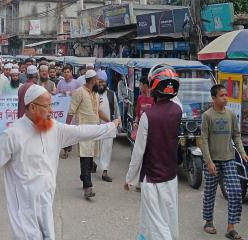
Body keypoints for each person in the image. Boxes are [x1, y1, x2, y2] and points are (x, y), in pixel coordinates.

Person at [0, 84, 119, 239]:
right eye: (47, 106)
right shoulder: (12, 134)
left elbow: (82, 131)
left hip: (46, 200)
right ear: (32, 107)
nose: (51, 110)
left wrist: (110, 126)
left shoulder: (54, 128)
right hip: (24, 205)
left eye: (51, 105)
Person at [124, 65, 182, 240]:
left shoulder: (149, 116)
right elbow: (175, 97)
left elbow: (138, 151)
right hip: (171, 177)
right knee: (168, 218)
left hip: (152, 178)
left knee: (157, 224)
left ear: (154, 87)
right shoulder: (178, 110)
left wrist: (129, 179)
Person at [201, 84, 248, 240]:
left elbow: (236, 136)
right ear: (214, 98)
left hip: (228, 159)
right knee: (210, 192)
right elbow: (204, 140)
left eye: (225, 94)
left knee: (235, 191)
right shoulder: (207, 116)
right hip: (213, 161)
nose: (225, 97)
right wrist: (209, 161)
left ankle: (231, 228)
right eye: (221, 95)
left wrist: (242, 152)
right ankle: (208, 222)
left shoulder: (231, 115)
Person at [66, 70, 113, 199]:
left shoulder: (96, 94)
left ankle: (84, 176)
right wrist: (66, 129)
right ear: (92, 80)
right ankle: (88, 187)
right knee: (85, 158)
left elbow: (98, 111)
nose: (99, 82)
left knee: (90, 158)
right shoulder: (79, 92)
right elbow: (71, 111)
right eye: (97, 80)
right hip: (83, 130)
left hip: (95, 131)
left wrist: (111, 122)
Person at [94, 70, 121, 182]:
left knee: (107, 149)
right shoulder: (92, 93)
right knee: (95, 148)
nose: (101, 84)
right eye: (99, 82)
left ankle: (105, 172)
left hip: (108, 126)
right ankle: (94, 164)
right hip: (95, 127)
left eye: (103, 82)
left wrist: (118, 123)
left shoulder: (111, 94)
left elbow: (117, 110)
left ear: (106, 82)